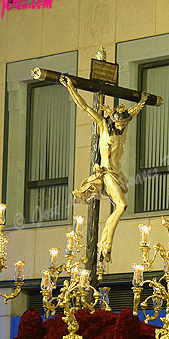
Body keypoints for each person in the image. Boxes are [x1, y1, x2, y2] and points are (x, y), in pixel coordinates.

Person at [59, 73, 149, 264]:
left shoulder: (124, 126)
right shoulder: (103, 126)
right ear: (112, 120)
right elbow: (84, 107)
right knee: (122, 205)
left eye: (124, 123)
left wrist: (142, 101)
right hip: (106, 173)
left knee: (120, 207)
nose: (122, 125)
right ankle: (105, 244)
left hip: (117, 174)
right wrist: (71, 88)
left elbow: (135, 110)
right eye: (119, 122)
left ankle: (105, 244)